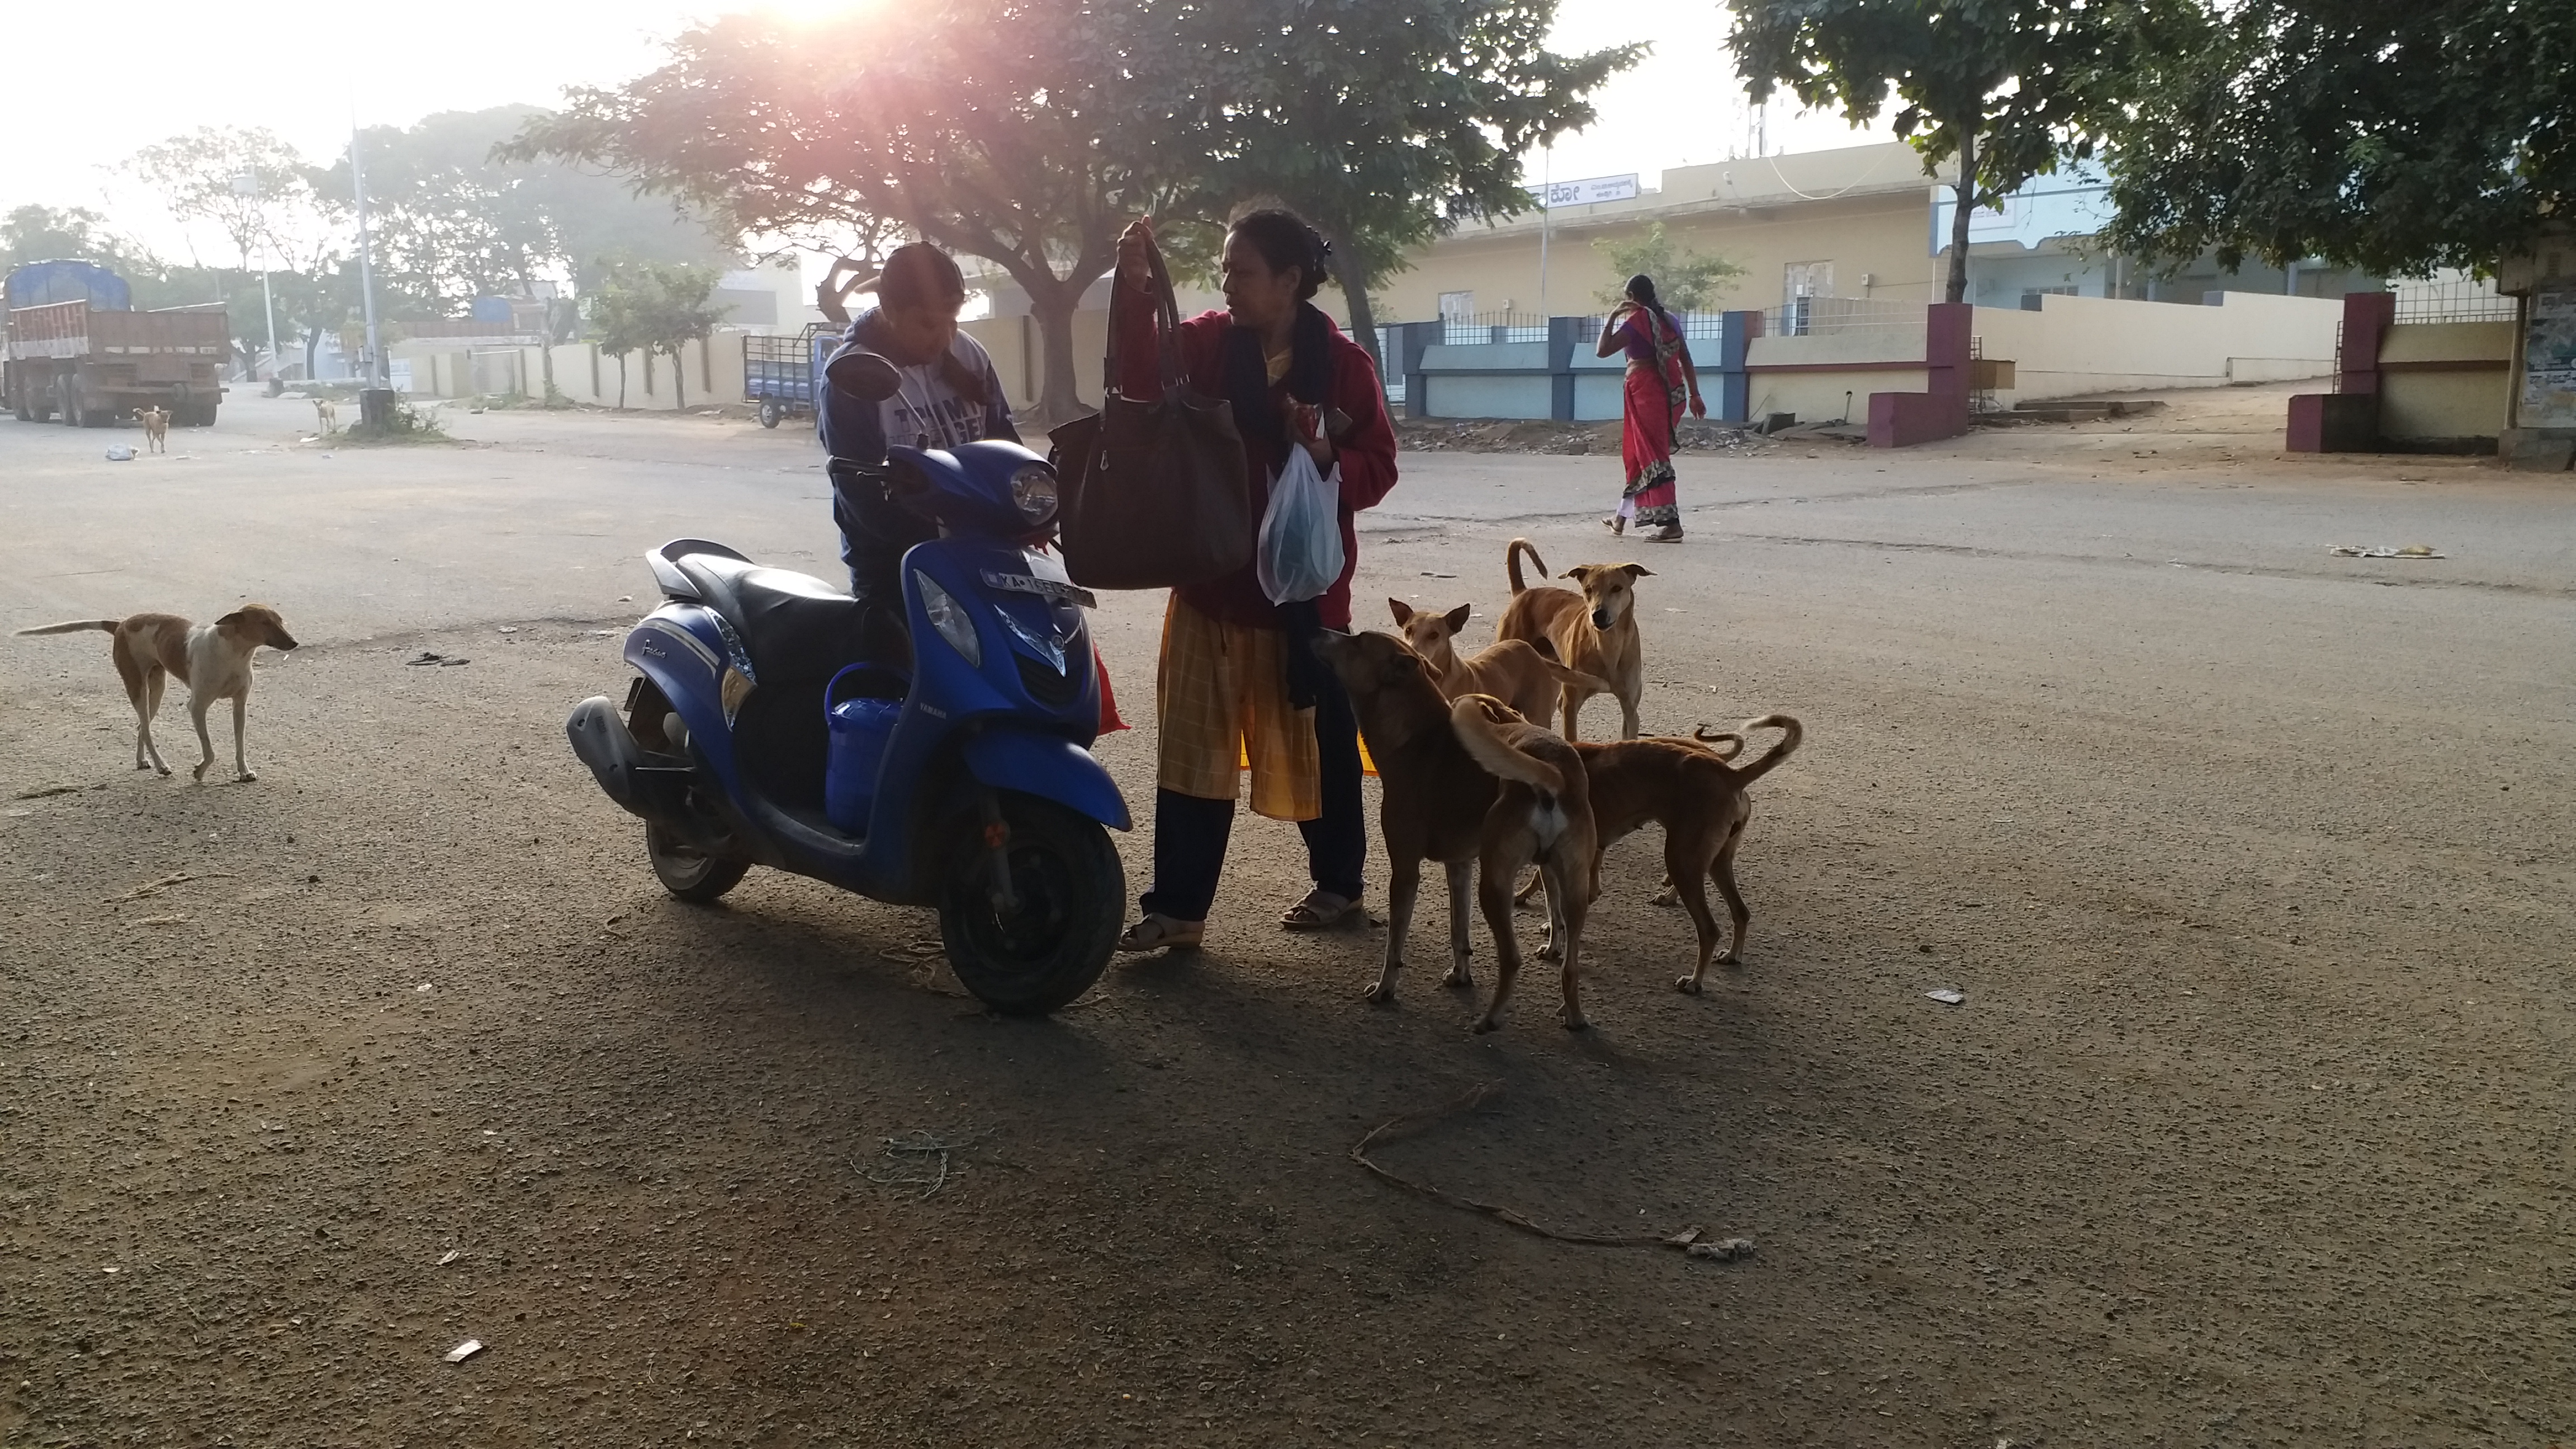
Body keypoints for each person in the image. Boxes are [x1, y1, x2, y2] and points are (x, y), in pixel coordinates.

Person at [1110, 209, 1400, 953]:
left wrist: (1327, 454)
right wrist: (1135, 293)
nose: (1226, 284)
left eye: (1241, 271)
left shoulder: (1343, 366)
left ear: (1289, 282)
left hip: (1300, 595)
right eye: (1225, 270)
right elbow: (1139, 381)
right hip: (1210, 579)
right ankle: (1178, 908)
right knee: (1193, 754)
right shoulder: (1208, 343)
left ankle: (1339, 886)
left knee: (1318, 744)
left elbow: (1380, 467)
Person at [817, 243, 1019, 653]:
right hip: (895, 567)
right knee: (905, 684)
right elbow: (860, 494)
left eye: (953, 320)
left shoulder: (970, 354)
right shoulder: (854, 374)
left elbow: (1004, 443)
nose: (943, 337)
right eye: (927, 323)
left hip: (983, 552)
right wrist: (940, 536)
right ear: (889, 310)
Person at [1598, 273, 1705, 543]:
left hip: (1646, 392)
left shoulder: (1637, 321)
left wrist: (1612, 316)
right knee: (1638, 455)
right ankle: (1620, 519)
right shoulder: (1670, 320)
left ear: (1631, 298)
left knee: (1653, 457)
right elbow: (1686, 359)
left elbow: (1602, 350)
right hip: (1672, 394)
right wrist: (1695, 395)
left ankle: (1672, 525)